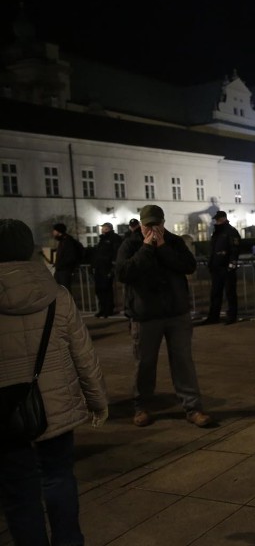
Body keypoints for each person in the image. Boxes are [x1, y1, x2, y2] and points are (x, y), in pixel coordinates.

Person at [0, 218, 109, 546]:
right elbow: (83, 355)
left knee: (19, 493)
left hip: (4, 413)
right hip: (56, 405)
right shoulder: (57, 295)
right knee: (59, 479)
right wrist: (98, 401)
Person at [115, 204, 213, 428]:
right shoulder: (130, 245)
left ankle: (193, 408)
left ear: (163, 223)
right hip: (145, 315)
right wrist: (147, 248)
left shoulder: (174, 242)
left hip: (176, 312)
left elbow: (188, 266)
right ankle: (142, 407)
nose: (152, 229)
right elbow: (123, 273)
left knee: (183, 362)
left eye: (156, 224)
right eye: (148, 225)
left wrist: (162, 247)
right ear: (140, 224)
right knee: (145, 363)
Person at [201, 210, 241, 325]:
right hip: (216, 268)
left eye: (218, 219)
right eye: (216, 220)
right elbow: (213, 250)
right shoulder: (217, 232)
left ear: (223, 219)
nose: (216, 222)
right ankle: (213, 317)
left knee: (230, 293)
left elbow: (235, 249)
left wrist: (231, 265)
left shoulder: (231, 231)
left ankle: (232, 316)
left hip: (226, 268)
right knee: (215, 293)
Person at [92, 221, 123, 318]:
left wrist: (112, 267)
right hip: (100, 268)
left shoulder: (114, 238)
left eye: (104, 228)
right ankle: (102, 309)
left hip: (107, 268)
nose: (102, 229)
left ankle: (108, 309)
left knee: (107, 289)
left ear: (108, 228)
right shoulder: (102, 239)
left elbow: (116, 253)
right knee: (99, 289)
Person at [51, 222, 84, 290]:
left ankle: (67, 301)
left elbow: (71, 257)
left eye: (54, 231)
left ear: (58, 232)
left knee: (65, 291)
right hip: (61, 270)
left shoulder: (67, 242)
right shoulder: (63, 241)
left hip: (64, 271)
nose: (53, 232)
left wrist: (60, 264)